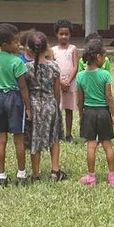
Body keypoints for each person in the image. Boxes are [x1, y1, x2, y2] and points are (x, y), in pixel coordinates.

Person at [0, 23, 31, 186]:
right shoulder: (17, 62)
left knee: (1, 140)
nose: (19, 45)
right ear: (5, 44)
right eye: (15, 42)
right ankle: (21, 175)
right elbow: (23, 87)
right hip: (14, 99)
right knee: (18, 140)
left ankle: (1, 176)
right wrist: (28, 107)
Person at [75, 38, 114, 186]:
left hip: (89, 113)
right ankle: (112, 177)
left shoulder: (80, 76)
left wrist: (81, 114)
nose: (105, 59)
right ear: (98, 57)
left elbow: (80, 100)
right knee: (107, 145)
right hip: (104, 113)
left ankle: (91, 178)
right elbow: (109, 97)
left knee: (91, 146)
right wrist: (113, 115)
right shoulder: (105, 75)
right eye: (104, 56)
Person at [24, 30, 65, 183]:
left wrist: (28, 107)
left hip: (34, 106)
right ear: (47, 47)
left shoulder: (26, 68)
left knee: (35, 139)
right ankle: (55, 171)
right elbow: (57, 91)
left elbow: (25, 90)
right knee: (54, 138)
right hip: (50, 105)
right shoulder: (54, 67)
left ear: (28, 48)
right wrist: (56, 105)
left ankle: (36, 174)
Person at [52, 18, 78, 143]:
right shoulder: (53, 50)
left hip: (70, 84)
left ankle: (68, 134)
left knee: (69, 109)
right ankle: (57, 133)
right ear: (56, 34)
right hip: (57, 84)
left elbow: (75, 66)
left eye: (66, 34)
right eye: (61, 34)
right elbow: (52, 66)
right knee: (57, 109)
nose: (64, 36)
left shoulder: (72, 48)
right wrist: (60, 82)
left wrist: (68, 81)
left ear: (70, 34)